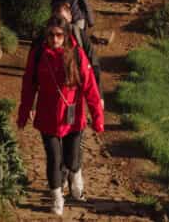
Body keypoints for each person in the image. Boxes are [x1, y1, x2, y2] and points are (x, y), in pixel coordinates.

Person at [18, 17, 104, 215]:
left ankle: (76, 173)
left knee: (72, 159)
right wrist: (24, 113)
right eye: (51, 35)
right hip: (47, 117)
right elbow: (29, 86)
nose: (54, 39)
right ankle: (57, 197)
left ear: (65, 36)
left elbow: (90, 88)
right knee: (54, 159)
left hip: (72, 118)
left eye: (59, 35)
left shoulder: (78, 55)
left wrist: (98, 118)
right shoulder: (39, 54)